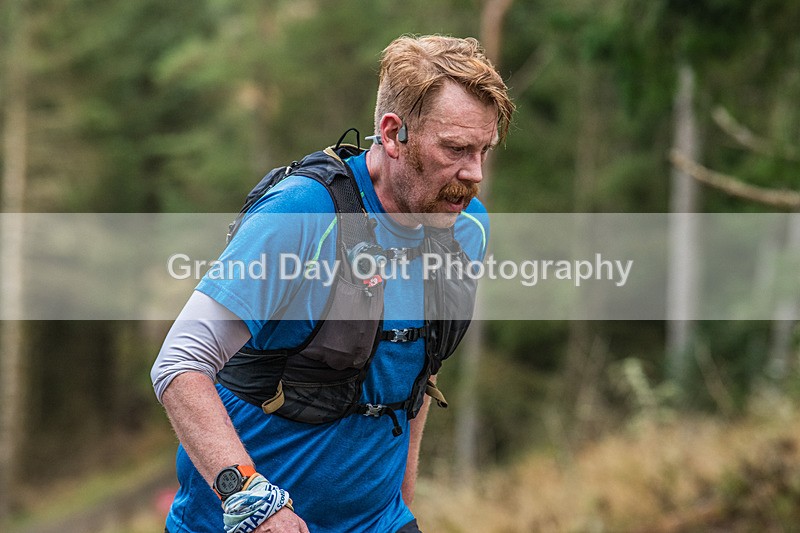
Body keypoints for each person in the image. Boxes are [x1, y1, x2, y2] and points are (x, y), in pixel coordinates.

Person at [151, 34, 514, 533]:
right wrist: (252, 500)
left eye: (483, 150)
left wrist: (403, 505)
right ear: (392, 133)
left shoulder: (465, 227)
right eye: (455, 149)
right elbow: (180, 362)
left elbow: (414, 374)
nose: (473, 174)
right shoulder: (302, 213)